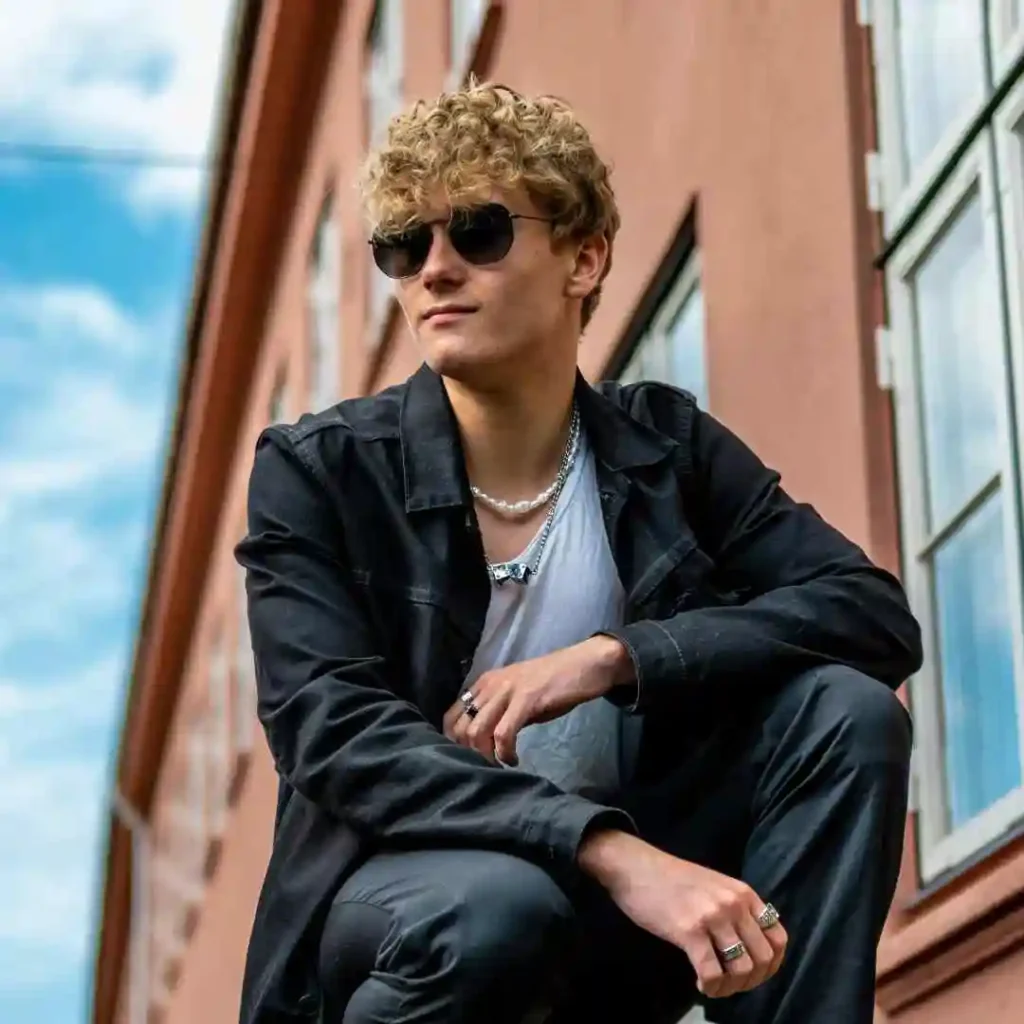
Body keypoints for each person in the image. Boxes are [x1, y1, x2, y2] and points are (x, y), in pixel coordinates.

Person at [234, 80, 922, 1024]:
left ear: (584, 258)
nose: (433, 269)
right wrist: (607, 848)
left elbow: (870, 613)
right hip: (413, 910)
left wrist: (615, 659)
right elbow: (337, 735)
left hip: (625, 924)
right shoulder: (320, 471)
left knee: (846, 714)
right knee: (495, 909)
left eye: (476, 230)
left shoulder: (665, 449)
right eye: (404, 244)